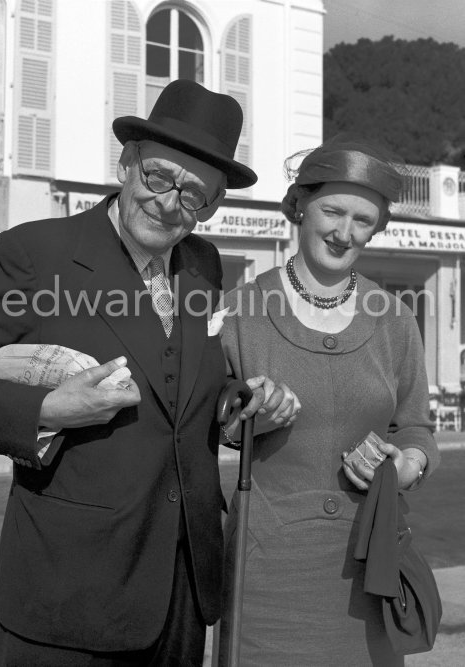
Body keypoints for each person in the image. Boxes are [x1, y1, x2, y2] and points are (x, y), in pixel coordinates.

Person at [0, 80, 298, 666]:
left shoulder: (203, 263)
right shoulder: (35, 252)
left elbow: (184, 383)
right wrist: (47, 411)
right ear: (126, 164)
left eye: (195, 195)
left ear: (214, 206)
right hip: (68, 593)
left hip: (183, 589)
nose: (171, 204)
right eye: (157, 177)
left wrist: (237, 403)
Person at [218, 137, 440, 666]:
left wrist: (406, 464)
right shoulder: (240, 312)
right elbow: (211, 415)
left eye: (362, 220)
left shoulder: (395, 319)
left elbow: (415, 428)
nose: (344, 233)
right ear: (299, 206)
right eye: (332, 211)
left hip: (372, 568)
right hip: (265, 572)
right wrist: (248, 414)